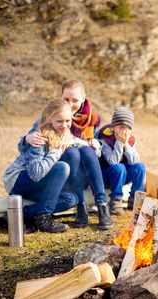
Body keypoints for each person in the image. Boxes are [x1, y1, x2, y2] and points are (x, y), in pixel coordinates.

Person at [18, 79, 113, 230]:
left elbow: (97, 153)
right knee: (73, 152)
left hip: (83, 173)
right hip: (59, 171)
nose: (70, 104)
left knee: (87, 150)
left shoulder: (93, 120)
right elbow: (30, 147)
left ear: (83, 98)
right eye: (66, 99)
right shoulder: (50, 116)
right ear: (60, 97)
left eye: (75, 100)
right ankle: (81, 204)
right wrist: (26, 139)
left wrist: (97, 145)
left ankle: (102, 206)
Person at [3, 99, 88, 233]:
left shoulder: (64, 133)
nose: (64, 125)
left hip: (36, 185)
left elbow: (80, 143)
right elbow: (35, 174)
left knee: (70, 199)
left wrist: (93, 144)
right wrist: (56, 152)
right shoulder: (40, 138)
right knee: (62, 167)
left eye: (67, 121)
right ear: (49, 119)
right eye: (60, 121)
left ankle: (19, 214)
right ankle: (43, 218)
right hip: (18, 180)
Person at [98, 107, 146, 215]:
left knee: (140, 166)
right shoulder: (104, 138)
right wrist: (119, 143)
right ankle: (116, 201)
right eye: (120, 127)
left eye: (127, 128)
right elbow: (113, 162)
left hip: (123, 176)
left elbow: (134, 161)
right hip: (107, 176)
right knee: (119, 167)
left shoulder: (130, 140)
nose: (124, 131)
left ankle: (135, 200)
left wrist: (126, 144)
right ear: (113, 127)